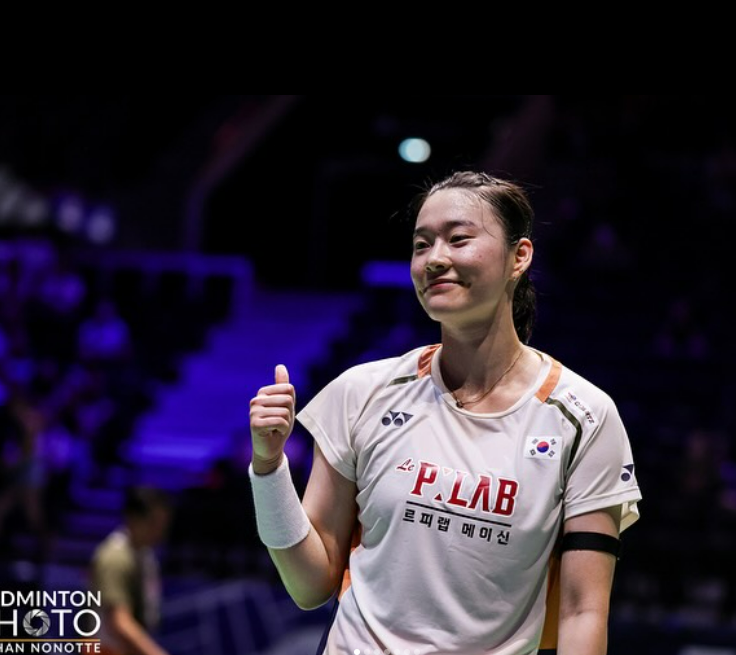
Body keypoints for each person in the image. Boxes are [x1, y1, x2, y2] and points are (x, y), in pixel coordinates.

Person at [249, 170, 643, 655]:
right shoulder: (362, 393)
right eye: (421, 245)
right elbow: (309, 586)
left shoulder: (583, 418)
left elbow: (583, 613)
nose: (435, 259)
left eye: (458, 240)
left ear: (519, 256)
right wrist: (267, 467)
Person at [89, 485, 172, 655]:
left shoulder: (145, 556)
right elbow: (119, 621)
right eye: (153, 523)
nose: (160, 532)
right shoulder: (115, 557)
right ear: (133, 519)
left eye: (163, 525)